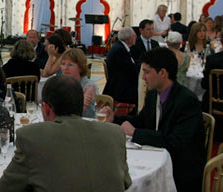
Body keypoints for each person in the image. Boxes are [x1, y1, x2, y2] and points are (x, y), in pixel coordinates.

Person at [0, 75, 131, 192]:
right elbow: (126, 182)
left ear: (46, 108)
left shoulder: (32, 137)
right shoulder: (114, 134)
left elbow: (5, 188)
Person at [99, 47, 205, 192]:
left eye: (147, 72)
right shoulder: (154, 95)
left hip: (180, 169)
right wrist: (115, 119)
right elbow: (142, 120)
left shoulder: (186, 101)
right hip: (160, 156)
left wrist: (136, 133)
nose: (143, 77)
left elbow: (175, 143)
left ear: (162, 73)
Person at [103, 27, 139, 107]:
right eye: (134, 36)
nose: (136, 38)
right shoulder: (120, 50)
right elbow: (131, 70)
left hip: (118, 81)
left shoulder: (119, 46)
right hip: (119, 88)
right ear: (129, 39)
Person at [59, 48, 97, 118]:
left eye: (70, 65)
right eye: (63, 64)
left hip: (85, 125)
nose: (65, 68)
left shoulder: (89, 87)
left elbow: (76, 114)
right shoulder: (60, 84)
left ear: (80, 67)